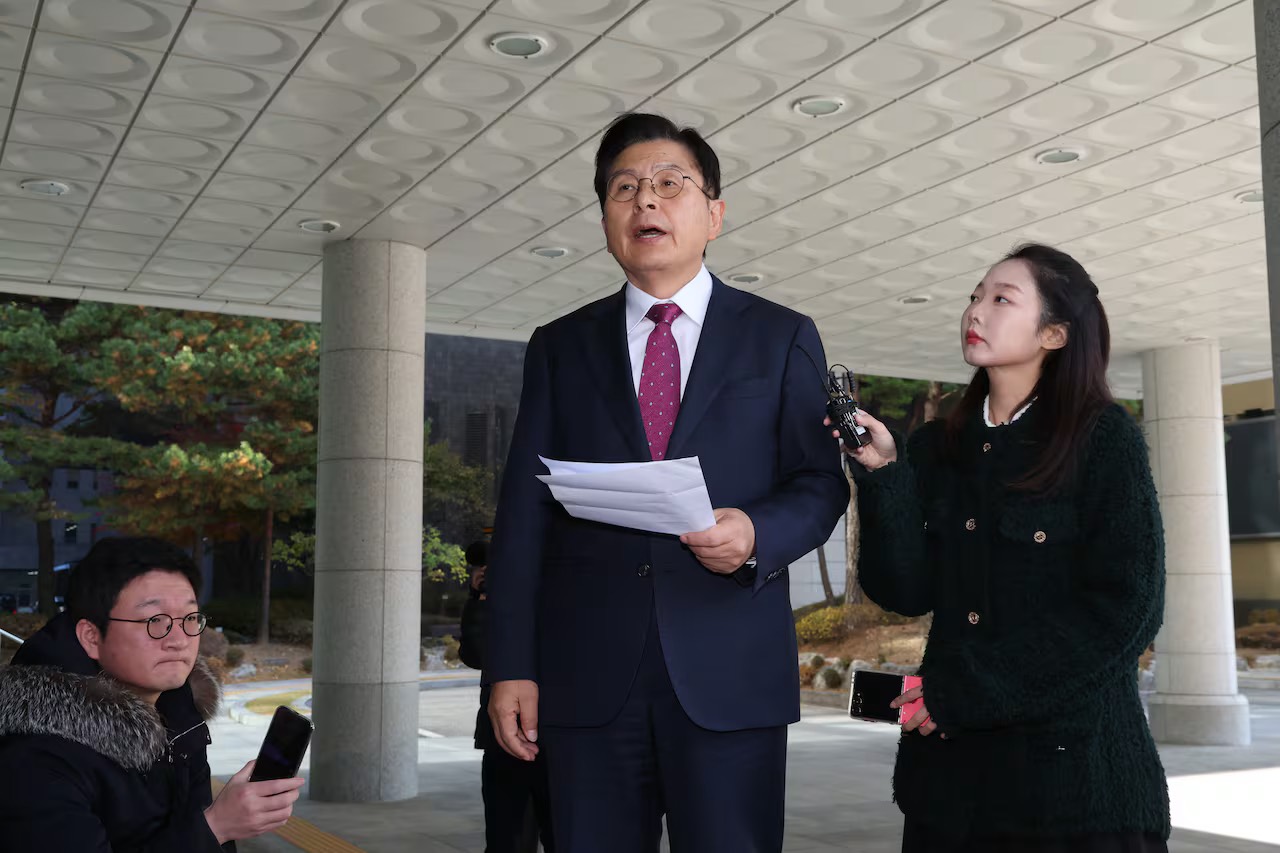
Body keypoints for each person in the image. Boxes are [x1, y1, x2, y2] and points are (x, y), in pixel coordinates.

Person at [484, 112, 849, 853]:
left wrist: (755, 533)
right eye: (624, 189)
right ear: (605, 222)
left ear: (714, 214)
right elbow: (522, 516)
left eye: (669, 184)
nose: (645, 200)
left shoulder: (781, 336)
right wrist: (511, 667)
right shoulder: (559, 346)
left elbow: (820, 482)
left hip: (730, 674)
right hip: (587, 681)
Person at [836, 243, 1170, 852]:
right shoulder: (937, 445)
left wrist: (965, 692)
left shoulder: (1102, 437)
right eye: (974, 297)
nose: (976, 311)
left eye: (1001, 299)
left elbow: (1129, 608)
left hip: (1074, 788)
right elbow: (903, 591)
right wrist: (884, 475)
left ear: (1055, 333)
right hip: (950, 791)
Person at [0, 536, 306, 852]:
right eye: (154, 620)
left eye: (190, 618)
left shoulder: (179, 712)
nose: (179, 640)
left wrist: (220, 825)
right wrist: (216, 826)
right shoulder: (34, 758)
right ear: (91, 637)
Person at [459, 540, 555, 853]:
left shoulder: (562, 589)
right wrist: (481, 598)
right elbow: (475, 654)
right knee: (507, 840)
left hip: (562, 738)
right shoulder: (493, 602)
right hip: (503, 738)